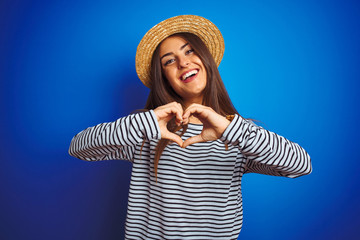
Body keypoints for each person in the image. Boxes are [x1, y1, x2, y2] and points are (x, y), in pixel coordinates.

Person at [69, 15, 312, 240]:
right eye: (170, 61)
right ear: (163, 78)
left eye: (190, 51)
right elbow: (78, 147)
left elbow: (301, 165)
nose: (183, 63)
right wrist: (144, 122)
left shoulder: (239, 134)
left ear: (205, 59)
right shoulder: (147, 130)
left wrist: (230, 130)